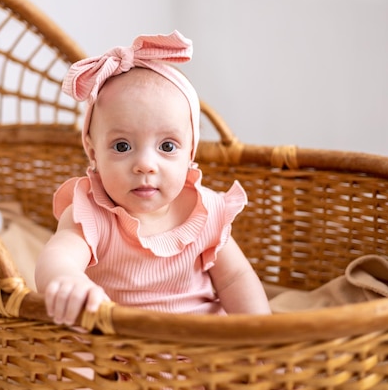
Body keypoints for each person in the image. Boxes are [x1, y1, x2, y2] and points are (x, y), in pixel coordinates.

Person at [35, 30, 271, 326]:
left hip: (203, 352)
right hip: (119, 357)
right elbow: (57, 256)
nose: (145, 165)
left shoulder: (207, 212)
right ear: (93, 154)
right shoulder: (90, 214)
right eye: (122, 146)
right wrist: (67, 280)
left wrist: (259, 335)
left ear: (190, 154)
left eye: (167, 147)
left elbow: (236, 278)